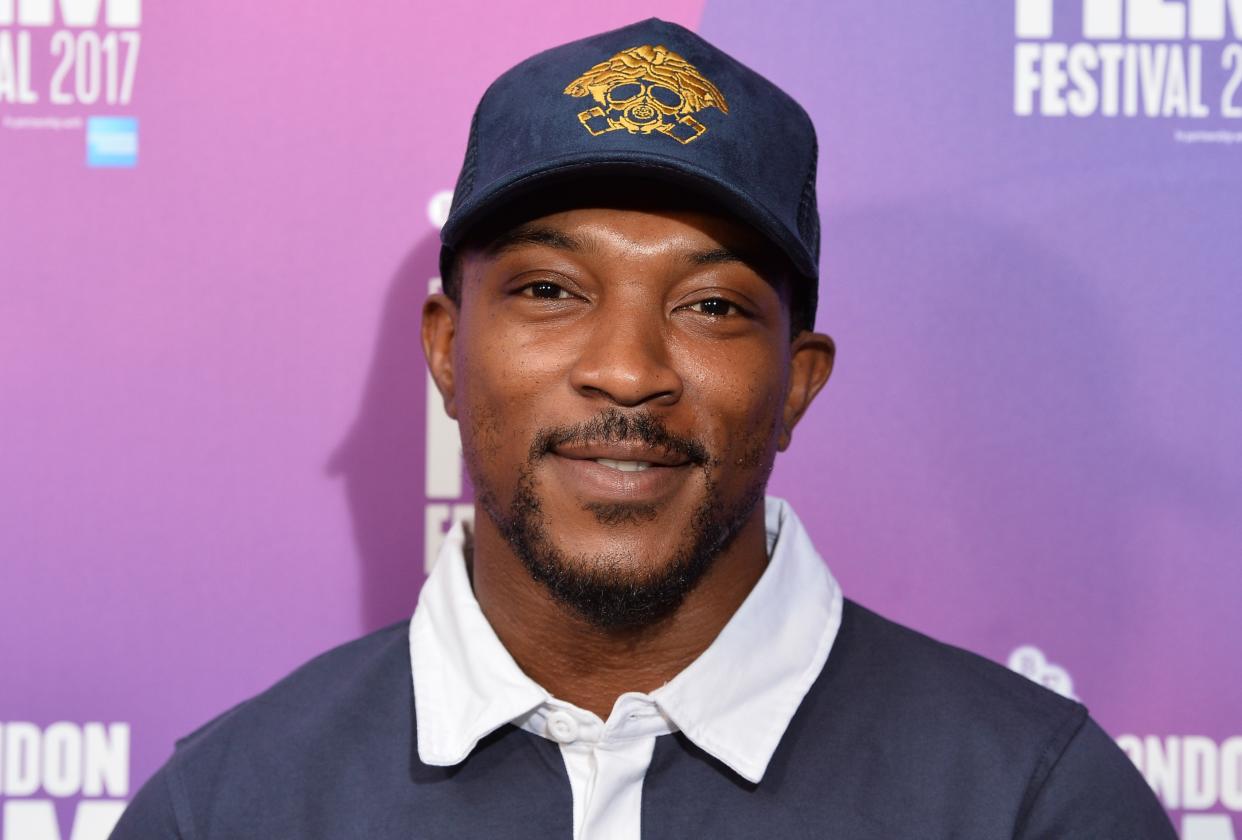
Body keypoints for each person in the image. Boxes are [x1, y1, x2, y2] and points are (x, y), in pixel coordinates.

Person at [110, 18, 1176, 839]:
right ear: (446, 349)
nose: (626, 368)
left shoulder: (1026, 804)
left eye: (709, 305)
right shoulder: (232, 805)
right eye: (550, 289)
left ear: (797, 385)